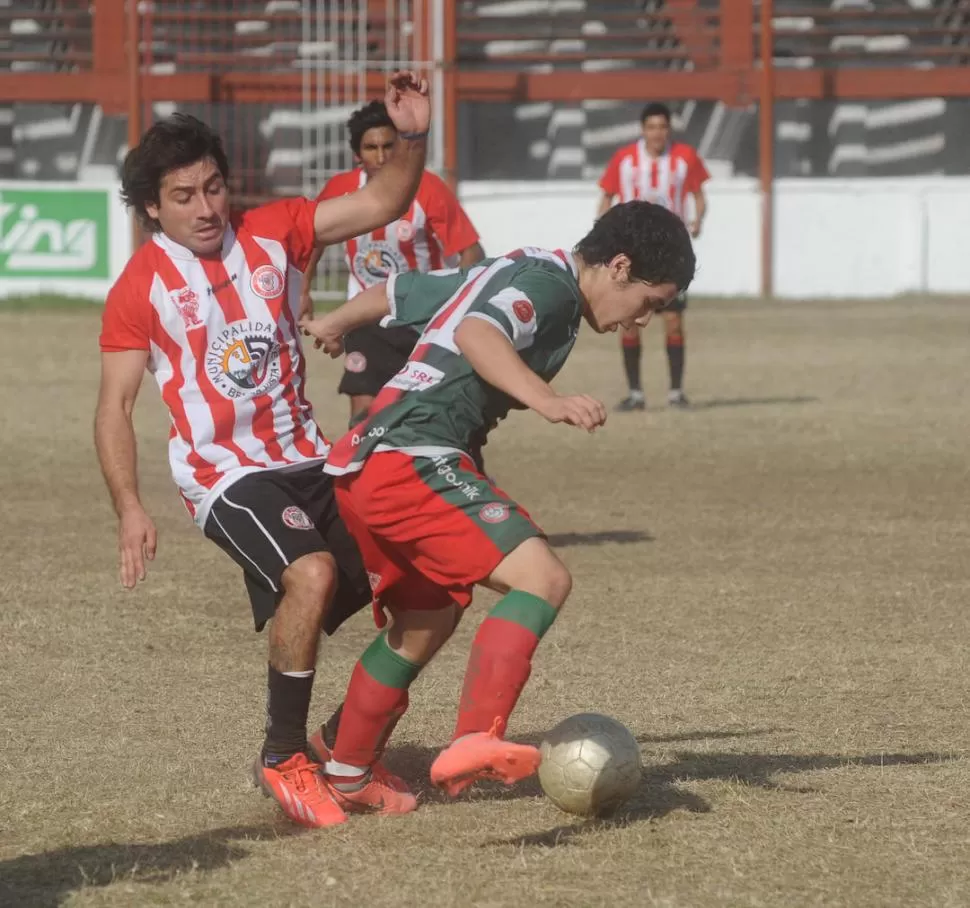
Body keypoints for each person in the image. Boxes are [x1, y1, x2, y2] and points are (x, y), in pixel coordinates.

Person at [93, 72, 431, 829]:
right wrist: (129, 507)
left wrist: (411, 138)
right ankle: (284, 756)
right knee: (308, 575)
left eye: (213, 188)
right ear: (152, 207)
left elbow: (382, 202)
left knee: (424, 584)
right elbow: (113, 408)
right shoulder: (140, 287)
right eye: (184, 197)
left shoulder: (276, 230)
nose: (207, 208)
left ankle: (346, 754)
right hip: (226, 476)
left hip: (311, 458)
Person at [299, 201, 696, 815]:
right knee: (544, 579)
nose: (641, 320)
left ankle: (345, 766)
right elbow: (476, 333)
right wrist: (547, 399)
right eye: (649, 302)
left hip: (366, 461)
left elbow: (403, 290)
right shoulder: (552, 290)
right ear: (620, 266)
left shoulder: (515, 267)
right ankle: (475, 736)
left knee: (425, 621)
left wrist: (334, 323)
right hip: (413, 455)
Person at [300, 100, 485, 427]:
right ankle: (361, 474)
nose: (381, 156)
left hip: (421, 318)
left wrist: (462, 300)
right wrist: (303, 290)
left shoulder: (428, 188)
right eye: (371, 148)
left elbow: (470, 250)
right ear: (357, 154)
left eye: (388, 145)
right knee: (363, 411)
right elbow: (311, 240)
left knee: (431, 415)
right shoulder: (340, 190)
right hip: (364, 319)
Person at [597, 102, 710, 410]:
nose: (657, 133)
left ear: (668, 129)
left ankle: (675, 392)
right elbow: (606, 197)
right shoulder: (624, 160)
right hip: (633, 254)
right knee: (630, 320)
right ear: (643, 129)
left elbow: (699, 196)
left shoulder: (684, 158)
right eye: (652, 127)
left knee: (673, 320)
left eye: (662, 127)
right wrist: (605, 236)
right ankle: (635, 394)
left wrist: (699, 219)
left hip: (671, 253)